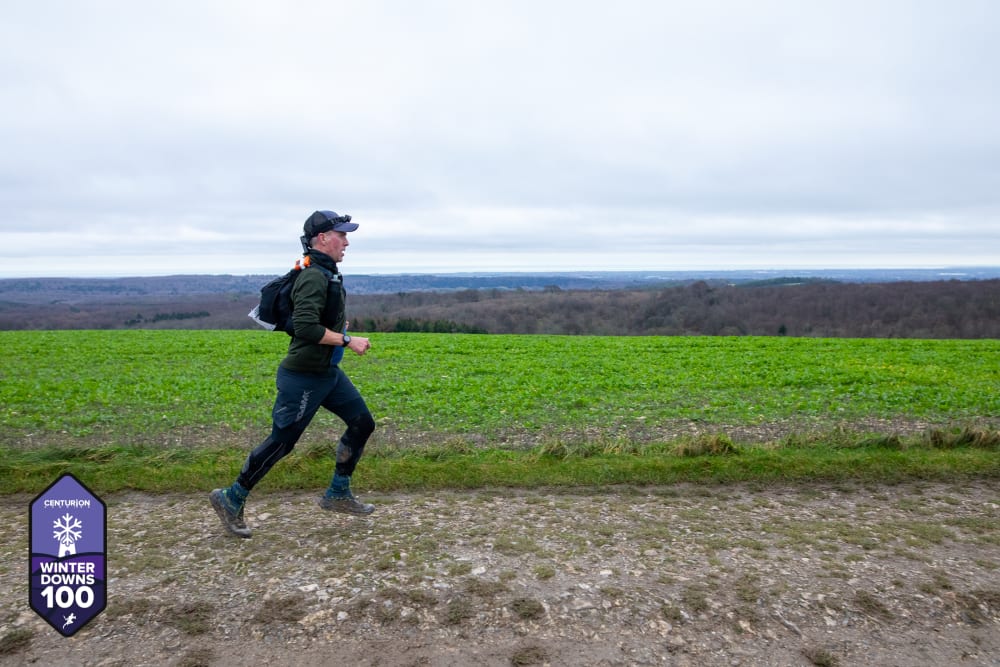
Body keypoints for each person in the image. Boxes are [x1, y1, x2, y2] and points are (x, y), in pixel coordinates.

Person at [210, 210, 376, 538]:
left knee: (362, 423)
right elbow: (305, 328)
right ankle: (231, 497)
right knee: (282, 442)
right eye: (342, 235)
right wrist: (348, 340)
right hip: (303, 376)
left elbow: (316, 320)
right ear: (322, 239)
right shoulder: (313, 276)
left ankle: (338, 493)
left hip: (327, 373)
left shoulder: (327, 273)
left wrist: (338, 327)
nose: (346, 242)